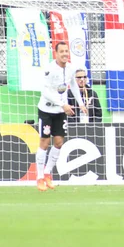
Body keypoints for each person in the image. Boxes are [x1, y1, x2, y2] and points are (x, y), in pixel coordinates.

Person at [35, 41, 87, 191]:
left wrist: (81, 103)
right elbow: (45, 91)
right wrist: (62, 104)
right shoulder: (49, 69)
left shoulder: (71, 69)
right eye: (61, 51)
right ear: (56, 53)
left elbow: (74, 85)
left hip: (60, 112)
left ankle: (47, 173)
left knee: (58, 142)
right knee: (44, 143)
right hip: (46, 110)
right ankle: (39, 177)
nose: (65, 54)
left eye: (66, 51)